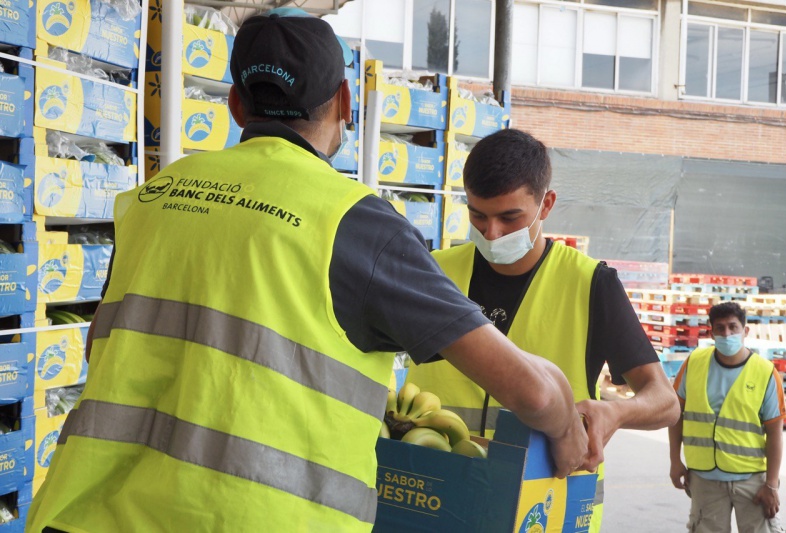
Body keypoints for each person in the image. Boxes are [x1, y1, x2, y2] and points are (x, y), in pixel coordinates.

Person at [26, 11, 592, 533]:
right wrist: (567, 429)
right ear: (345, 101)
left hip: (85, 513)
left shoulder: (152, 198)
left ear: (236, 105)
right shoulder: (357, 225)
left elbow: (107, 345)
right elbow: (530, 392)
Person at [406, 128, 680, 532]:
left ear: (545, 204)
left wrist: (616, 411)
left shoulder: (590, 284)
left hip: (545, 510)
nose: (491, 232)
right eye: (478, 214)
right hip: (435, 497)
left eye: (509, 217)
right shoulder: (433, 272)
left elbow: (665, 401)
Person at [669, 301, 786, 533]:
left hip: (752, 482)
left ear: (745, 331)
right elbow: (676, 416)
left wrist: (771, 485)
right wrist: (675, 460)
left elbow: (775, 433)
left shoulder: (765, 373)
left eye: (733, 327)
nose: (727, 334)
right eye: (720, 328)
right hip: (705, 480)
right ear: (711, 332)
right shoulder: (693, 364)